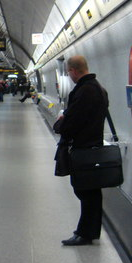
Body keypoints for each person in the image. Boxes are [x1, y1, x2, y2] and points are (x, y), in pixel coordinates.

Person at [53, 55, 108, 246]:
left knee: (86, 191)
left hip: (84, 149)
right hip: (92, 146)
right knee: (90, 191)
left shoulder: (85, 91)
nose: (69, 76)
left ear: (73, 71)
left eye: (69, 72)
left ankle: (85, 233)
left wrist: (60, 124)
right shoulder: (98, 88)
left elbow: (72, 123)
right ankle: (88, 231)